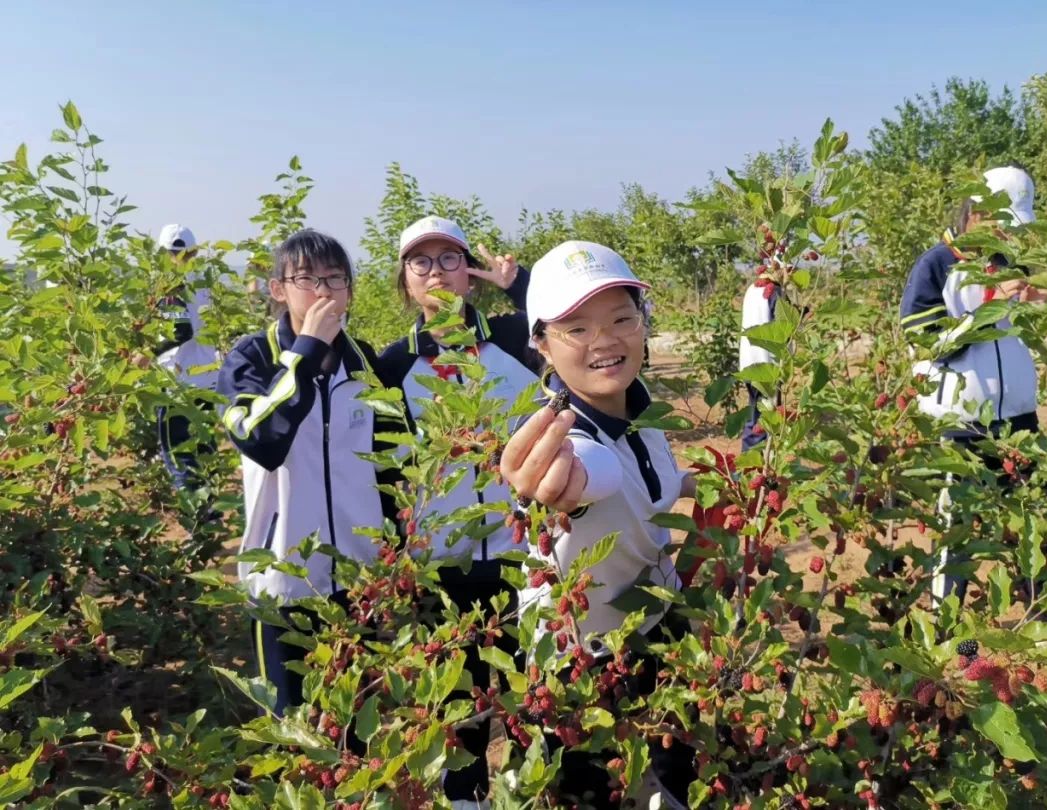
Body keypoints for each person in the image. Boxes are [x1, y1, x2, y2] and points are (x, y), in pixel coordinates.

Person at [512, 240, 697, 809]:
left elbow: (644, 482)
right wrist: (559, 483)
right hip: (583, 666)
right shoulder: (566, 437)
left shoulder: (643, 410)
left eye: (621, 318)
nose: (605, 341)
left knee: (680, 779)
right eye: (577, 329)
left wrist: (692, 484)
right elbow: (587, 474)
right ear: (541, 343)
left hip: (657, 631)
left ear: (643, 321)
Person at [378, 215, 539, 809]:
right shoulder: (394, 364)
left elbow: (575, 327)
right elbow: (384, 468)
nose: (437, 272)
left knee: (528, 689)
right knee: (456, 693)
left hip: (521, 552)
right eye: (421, 262)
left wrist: (517, 284)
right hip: (441, 560)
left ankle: (526, 791)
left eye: (450, 258)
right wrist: (397, 550)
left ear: (469, 272)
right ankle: (465, 797)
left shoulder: (515, 339)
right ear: (405, 279)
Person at [217, 229, 393, 715]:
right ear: (278, 289)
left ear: (350, 290)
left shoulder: (364, 363)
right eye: (307, 279)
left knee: (355, 717)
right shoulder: (251, 358)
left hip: (358, 577)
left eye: (335, 279)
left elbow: (389, 462)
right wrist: (307, 352)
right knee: (291, 721)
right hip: (283, 578)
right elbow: (261, 440)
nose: (323, 291)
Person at [899, 164, 1047, 603]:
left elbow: (1015, 338)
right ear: (977, 214)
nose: (1008, 236)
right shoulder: (937, 266)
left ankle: (1040, 610)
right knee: (957, 531)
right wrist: (989, 308)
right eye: (1002, 226)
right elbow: (924, 341)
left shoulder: (1007, 265)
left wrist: (1036, 303)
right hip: (962, 424)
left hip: (1018, 419)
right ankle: (947, 626)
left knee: (1032, 518)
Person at [152, 224, 221, 493]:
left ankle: (195, 511)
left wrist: (146, 353)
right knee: (204, 451)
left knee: (180, 455)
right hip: (207, 379)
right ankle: (210, 510)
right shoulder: (205, 284)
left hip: (178, 383)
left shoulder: (171, 284)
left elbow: (180, 331)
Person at [738, 276, 781, 451]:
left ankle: (750, 461)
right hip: (766, 366)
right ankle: (756, 462)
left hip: (749, 362)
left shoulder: (752, 289)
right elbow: (783, 326)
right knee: (765, 420)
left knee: (755, 416)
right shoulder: (774, 291)